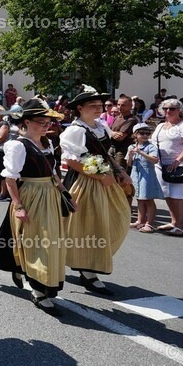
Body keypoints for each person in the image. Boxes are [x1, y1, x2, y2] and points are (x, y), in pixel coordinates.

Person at [0, 99, 70, 316]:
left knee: (51, 241)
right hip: (31, 195)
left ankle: (27, 271)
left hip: (50, 195)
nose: (46, 125)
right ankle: (39, 290)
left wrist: (65, 193)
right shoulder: (18, 145)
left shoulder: (47, 143)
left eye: (48, 122)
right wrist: (18, 206)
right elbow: (11, 179)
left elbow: (54, 173)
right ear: (27, 122)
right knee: (37, 242)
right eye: (41, 122)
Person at [59, 86, 133, 295]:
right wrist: (100, 176)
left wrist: (120, 171)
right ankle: (88, 272)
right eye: (93, 105)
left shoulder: (101, 126)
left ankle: (88, 266)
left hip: (105, 179)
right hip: (84, 182)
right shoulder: (75, 131)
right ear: (80, 108)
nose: (98, 108)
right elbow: (72, 161)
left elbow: (105, 154)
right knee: (88, 227)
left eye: (100, 105)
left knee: (113, 221)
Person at [149, 99, 183, 236]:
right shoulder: (160, 126)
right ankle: (174, 222)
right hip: (162, 164)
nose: (168, 111)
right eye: (165, 108)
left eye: (172, 108)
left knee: (177, 194)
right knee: (167, 194)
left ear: (179, 110)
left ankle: (180, 226)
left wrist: (178, 161)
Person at [126, 123, 163, 232]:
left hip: (147, 174)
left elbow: (155, 160)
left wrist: (141, 152)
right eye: (142, 133)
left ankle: (149, 223)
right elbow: (129, 163)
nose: (145, 135)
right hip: (136, 173)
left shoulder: (151, 146)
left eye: (147, 133)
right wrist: (131, 156)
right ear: (135, 134)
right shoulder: (131, 147)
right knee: (139, 198)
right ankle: (140, 220)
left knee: (148, 199)